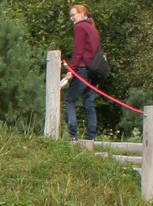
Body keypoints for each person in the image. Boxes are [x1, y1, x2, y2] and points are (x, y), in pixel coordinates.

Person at [64, 4, 102, 143]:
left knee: (69, 101)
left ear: (81, 13)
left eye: (73, 15)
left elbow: (78, 51)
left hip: (82, 69)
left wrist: (71, 70)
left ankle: (72, 135)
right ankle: (91, 136)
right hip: (93, 71)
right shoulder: (92, 28)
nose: (71, 18)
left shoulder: (80, 27)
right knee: (89, 103)